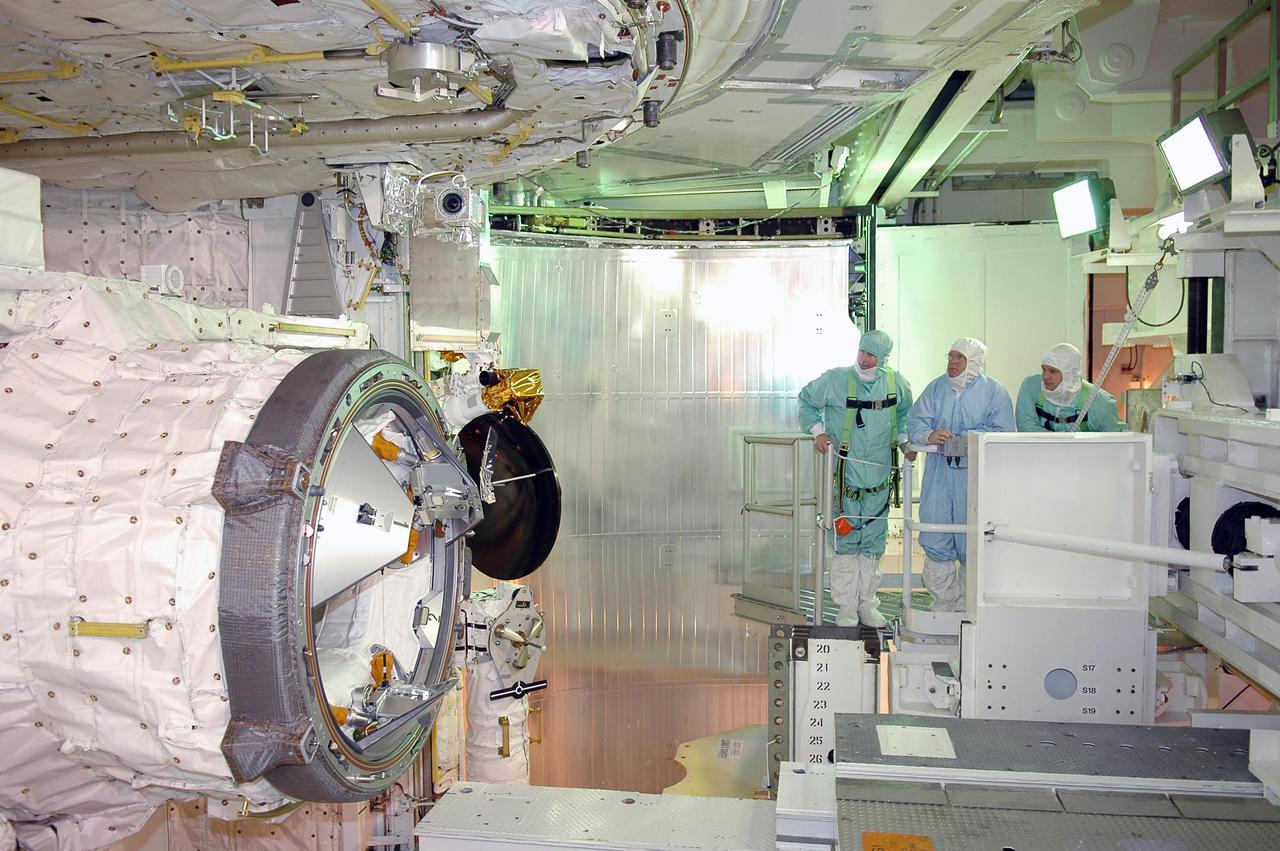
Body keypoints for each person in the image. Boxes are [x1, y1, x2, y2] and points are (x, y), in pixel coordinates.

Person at [798, 330, 913, 628]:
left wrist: (904, 441)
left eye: (871, 355)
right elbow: (807, 400)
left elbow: (905, 414)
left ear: (883, 358)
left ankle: (866, 605)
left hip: (879, 481)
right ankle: (846, 606)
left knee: (873, 544)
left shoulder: (896, 384)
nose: (864, 359)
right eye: (862, 351)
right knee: (845, 542)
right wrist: (817, 432)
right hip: (844, 481)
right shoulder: (836, 380)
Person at [905, 337, 1014, 612]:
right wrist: (929, 435)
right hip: (939, 477)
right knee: (936, 532)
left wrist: (964, 439)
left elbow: (1003, 431)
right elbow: (915, 420)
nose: (952, 362)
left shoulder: (994, 392)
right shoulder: (936, 388)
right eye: (950, 356)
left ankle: (969, 608)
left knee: (972, 538)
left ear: (973, 362)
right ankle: (943, 605)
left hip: (974, 477)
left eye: (959, 358)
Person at [1016, 343, 1124, 433]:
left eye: (1053, 371)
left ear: (1069, 374)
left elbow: (1114, 442)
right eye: (1044, 369)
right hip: (1041, 455)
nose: (1045, 376)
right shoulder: (1031, 388)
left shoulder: (1100, 402)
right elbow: (1027, 431)